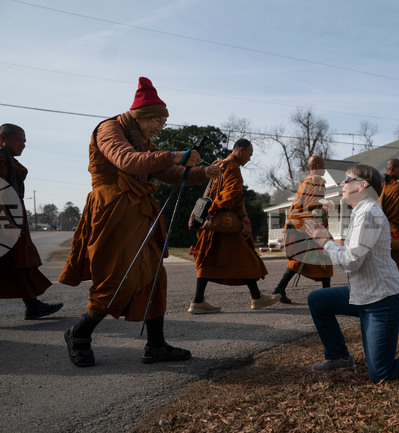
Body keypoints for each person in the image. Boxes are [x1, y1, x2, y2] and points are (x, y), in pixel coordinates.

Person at [59, 77, 222, 367]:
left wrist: (204, 173)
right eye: (157, 120)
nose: (160, 127)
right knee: (118, 276)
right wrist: (175, 155)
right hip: (113, 210)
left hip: (140, 212)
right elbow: (128, 161)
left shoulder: (144, 140)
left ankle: (156, 345)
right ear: (142, 115)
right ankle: (79, 334)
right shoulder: (109, 129)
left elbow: (169, 173)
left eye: (163, 122)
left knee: (154, 276)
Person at [303, 164, 399, 383]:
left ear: (363, 184)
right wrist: (328, 240)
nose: (342, 184)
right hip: (363, 296)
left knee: (381, 374)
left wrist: (325, 242)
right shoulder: (361, 212)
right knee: (318, 300)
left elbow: (351, 262)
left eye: (347, 180)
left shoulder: (369, 213)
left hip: (383, 302)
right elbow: (352, 253)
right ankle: (339, 356)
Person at [190, 138, 279, 313]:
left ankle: (198, 301)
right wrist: (243, 219)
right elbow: (232, 195)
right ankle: (256, 298)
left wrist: (209, 214)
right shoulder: (232, 167)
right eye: (249, 154)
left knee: (210, 261)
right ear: (241, 150)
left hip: (213, 223)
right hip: (224, 224)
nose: (250, 159)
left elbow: (212, 192)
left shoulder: (220, 164)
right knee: (246, 259)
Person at [0, 123, 63, 319]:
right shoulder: (1, 157)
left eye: (24, 141)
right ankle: (32, 304)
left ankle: (32, 304)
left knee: (19, 263)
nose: (23, 145)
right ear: (2, 138)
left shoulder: (8, 158)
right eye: (18, 140)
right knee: (18, 262)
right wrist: (9, 221)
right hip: (6, 222)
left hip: (12, 221)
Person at [272, 155, 333, 304]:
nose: (325, 169)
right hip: (305, 224)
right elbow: (313, 206)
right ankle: (327, 296)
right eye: (323, 165)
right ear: (318, 165)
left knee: (300, 258)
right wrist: (321, 225)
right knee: (324, 256)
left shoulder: (306, 180)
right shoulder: (318, 180)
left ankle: (279, 288)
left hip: (296, 223)